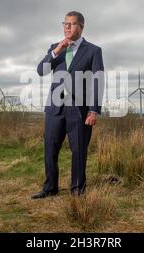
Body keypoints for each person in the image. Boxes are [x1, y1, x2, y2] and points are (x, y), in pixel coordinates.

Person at [32, 11, 105, 199]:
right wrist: (56, 50)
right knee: (50, 148)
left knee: (79, 150)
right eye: (65, 23)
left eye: (72, 24)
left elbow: (98, 81)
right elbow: (41, 71)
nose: (67, 27)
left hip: (79, 110)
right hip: (55, 108)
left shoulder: (93, 51)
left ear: (81, 26)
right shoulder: (56, 48)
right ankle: (50, 188)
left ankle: (77, 190)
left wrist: (93, 110)